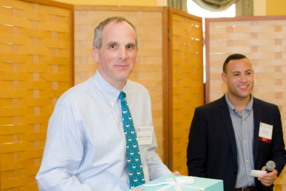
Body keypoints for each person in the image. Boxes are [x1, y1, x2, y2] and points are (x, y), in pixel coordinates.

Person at [36, 17, 176, 191]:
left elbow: (145, 156)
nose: (123, 55)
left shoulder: (141, 95)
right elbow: (51, 175)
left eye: (129, 47)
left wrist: (171, 180)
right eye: (113, 46)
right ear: (95, 53)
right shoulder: (72, 104)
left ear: (136, 53)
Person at [187, 53, 286, 191]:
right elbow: (196, 165)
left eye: (247, 73)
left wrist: (274, 168)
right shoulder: (205, 115)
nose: (243, 79)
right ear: (224, 77)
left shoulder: (270, 112)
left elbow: (279, 153)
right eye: (236, 74)